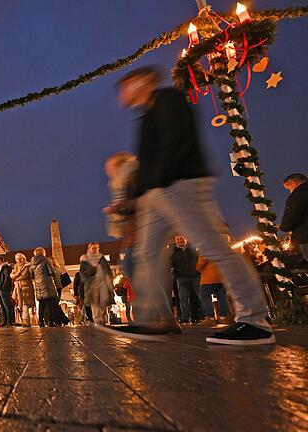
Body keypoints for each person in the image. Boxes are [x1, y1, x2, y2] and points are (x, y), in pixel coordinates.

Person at [105, 65, 273, 345]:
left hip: (180, 184)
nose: (122, 94)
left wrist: (159, 179)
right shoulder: (146, 114)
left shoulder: (168, 100)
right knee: (147, 255)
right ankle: (152, 321)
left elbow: (176, 143)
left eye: (127, 85)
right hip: (156, 194)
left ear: (145, 81)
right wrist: (138, 197)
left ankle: (255, 319)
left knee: (211, 246)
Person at [104, 151, 139, 279]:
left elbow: (143, 201)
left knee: (134, 274)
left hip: (140, 236)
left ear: (121, 165)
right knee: (131, 272)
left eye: (110, 168)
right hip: (132, 237)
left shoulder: (133, 177)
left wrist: (118, 207)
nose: (108, 172)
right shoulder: (122, 183)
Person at [79, 243, 115, 325]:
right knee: (94, 302)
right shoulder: (85, 259)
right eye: (94, 248)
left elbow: (107, 269)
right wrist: (87, 278)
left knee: (103, 300)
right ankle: (97, 319)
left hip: (102, 282)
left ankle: (101, 315)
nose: (96, 250)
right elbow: (82, 272)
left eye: (97, 248)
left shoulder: (101, 258)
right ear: (89, 249)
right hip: (91, 283)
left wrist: (109, 277)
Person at [171, 234, 202, 323]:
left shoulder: (193, 250)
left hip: (195, 277)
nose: (180, 240)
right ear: (175, 241)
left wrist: (198, 272)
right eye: (178, 239)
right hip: (182, 278)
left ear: (186, 239)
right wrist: (177, 276)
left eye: (181, 238)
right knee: (183, 298)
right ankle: (185, 317)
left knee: (198, 297)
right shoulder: (173, 252)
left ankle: (200, 316)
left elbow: (199, 260)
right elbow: (171, 266)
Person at [30, 248, 60, 327]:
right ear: (43, 253)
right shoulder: (46, 260)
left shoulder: (32, 263)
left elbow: (31, 276)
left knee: (41, 304)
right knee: (49, 304)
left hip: (38, 286)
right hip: (47, 284)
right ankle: (50, 321)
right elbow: (52, 272)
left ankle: (41, 322)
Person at [196, 254, 230, 325]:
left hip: (209, 277)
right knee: (222, 297)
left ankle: (210, 318)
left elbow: (200, 264)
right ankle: (224, 318)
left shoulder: (206, 248)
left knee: (204, 296)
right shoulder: (222, 248)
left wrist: (197, 267)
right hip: (222, 276)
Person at [281, 173, 308, 260]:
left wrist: (284, 227)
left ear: (294, 183)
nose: (290, 191)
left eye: (288, 187)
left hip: (305, 236)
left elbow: (292, 217)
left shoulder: (298, 195)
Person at [10, 253, 35, 327]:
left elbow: (25, 275)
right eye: (16, 259)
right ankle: (23, 321)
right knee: (20, 305)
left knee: (25, 304)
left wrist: (16, 277)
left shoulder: (27, 265)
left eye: (19, 258)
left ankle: (26, 322)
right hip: (18, 288)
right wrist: (18, 274)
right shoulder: (15, 266)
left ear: (23, 258)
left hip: (26, 287)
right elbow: (11, 275)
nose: (17, 260)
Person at [0, 256, 14, 326]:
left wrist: (3, 287)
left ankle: (9, 322)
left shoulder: (5, 267)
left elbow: (7, 278)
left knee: (6, 306)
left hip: (3, 290)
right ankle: (4, 321)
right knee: (2, 306)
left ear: (0, 260)